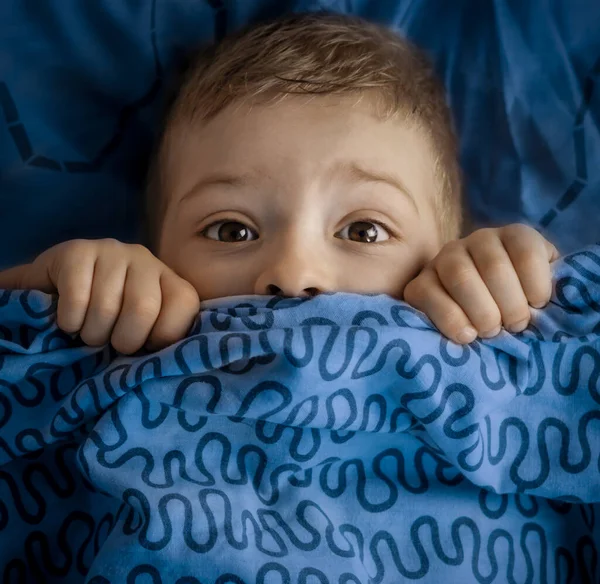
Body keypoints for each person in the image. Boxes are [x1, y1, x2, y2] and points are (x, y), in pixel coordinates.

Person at [0, 13, 558, 355]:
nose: (293, 276)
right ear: (157, 252)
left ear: (443, 253)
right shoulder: (123, 343)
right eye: (230, 230)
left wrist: (528, 288)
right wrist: (49, 294)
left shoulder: (472, 337)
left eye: (365, 230)